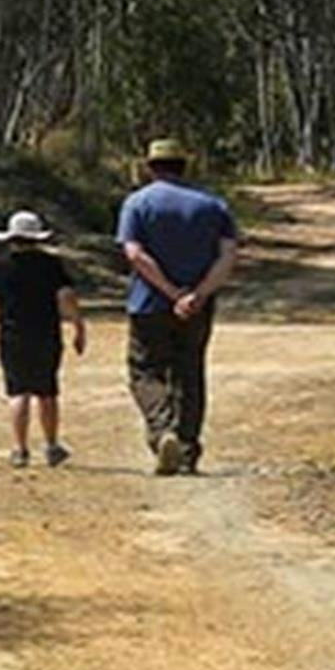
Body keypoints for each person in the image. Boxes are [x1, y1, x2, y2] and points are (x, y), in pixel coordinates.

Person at [115, 138, 239, 476]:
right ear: (184, 167)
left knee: (145, 369)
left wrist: (172, 293)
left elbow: (134, 254)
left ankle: (162, 430)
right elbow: (227, 255)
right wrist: (196, 295)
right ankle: (186, 450)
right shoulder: (213, 205)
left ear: (150, 167)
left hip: (148, 303)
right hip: (198, 307)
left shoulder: (137, 203)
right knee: (190, 372)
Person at [0, 210, 86, 468]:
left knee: (18, 391)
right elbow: (66, 296)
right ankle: (51, 445)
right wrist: (78, 325)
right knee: (47, 390)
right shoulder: (51, 265)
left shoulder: (2, 266)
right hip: (46, 333)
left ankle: (20, 449)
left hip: (13, 333)